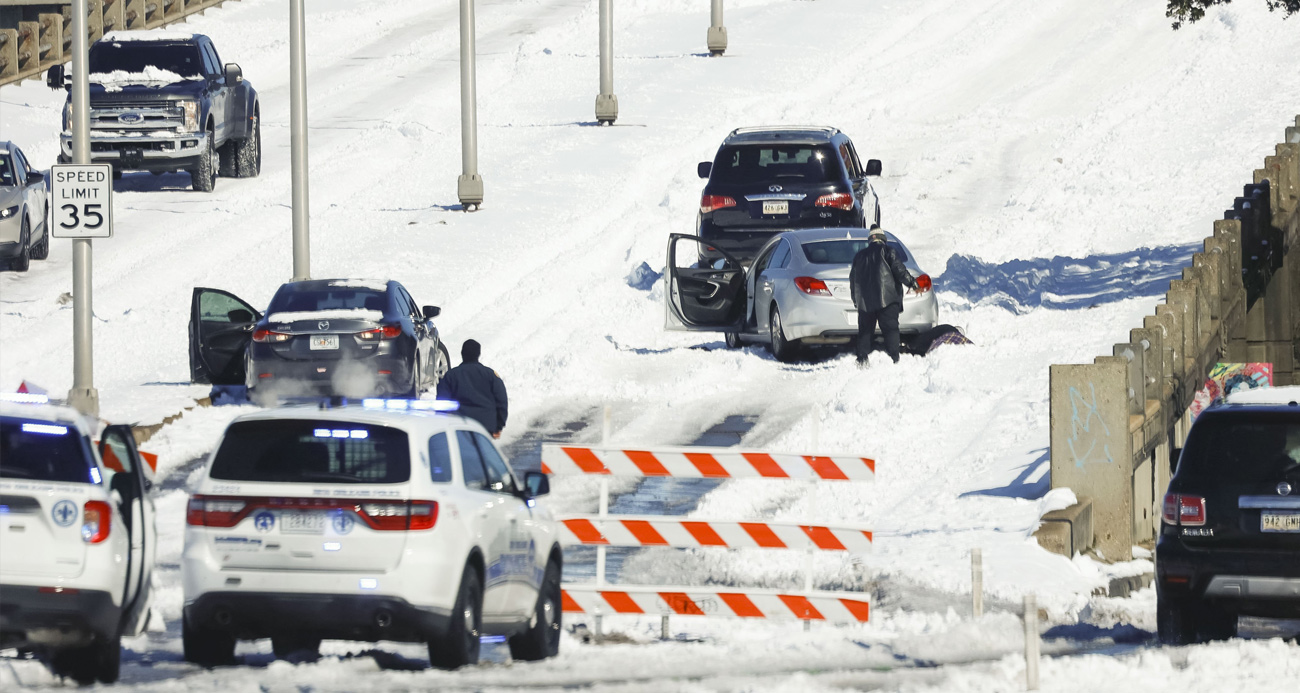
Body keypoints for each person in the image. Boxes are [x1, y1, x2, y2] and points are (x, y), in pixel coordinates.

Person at [849, 227, 919, 365]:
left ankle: (862, 359)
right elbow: (900, 271)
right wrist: (912, 283)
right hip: (888, 299)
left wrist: (856, 300)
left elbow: (853, 280)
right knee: (891, 329)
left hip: (865, 302)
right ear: (884, 239)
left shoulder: (860, 256)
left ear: (870, 240)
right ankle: (894, 358)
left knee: (865, 331)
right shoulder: (888, 251)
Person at [435, 339, 508, 438]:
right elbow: (501, 401)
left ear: (462, 353)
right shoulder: (491, 375)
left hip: (459, 427)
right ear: (478, 354)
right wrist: (499, 426)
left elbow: (441, 403)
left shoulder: (451, 376)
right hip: (486, 427)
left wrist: (442, 428)